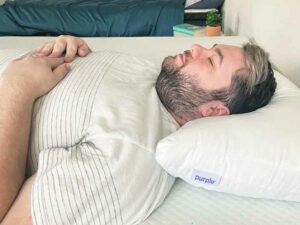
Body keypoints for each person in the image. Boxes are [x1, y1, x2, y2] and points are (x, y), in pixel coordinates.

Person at [0, 35, 276, 224]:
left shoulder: (130, 157)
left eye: (211, 60)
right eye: (208, 47)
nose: (195, 47)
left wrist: (16, 89)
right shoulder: (148, 71)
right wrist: (68, 47)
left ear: (214, 110)